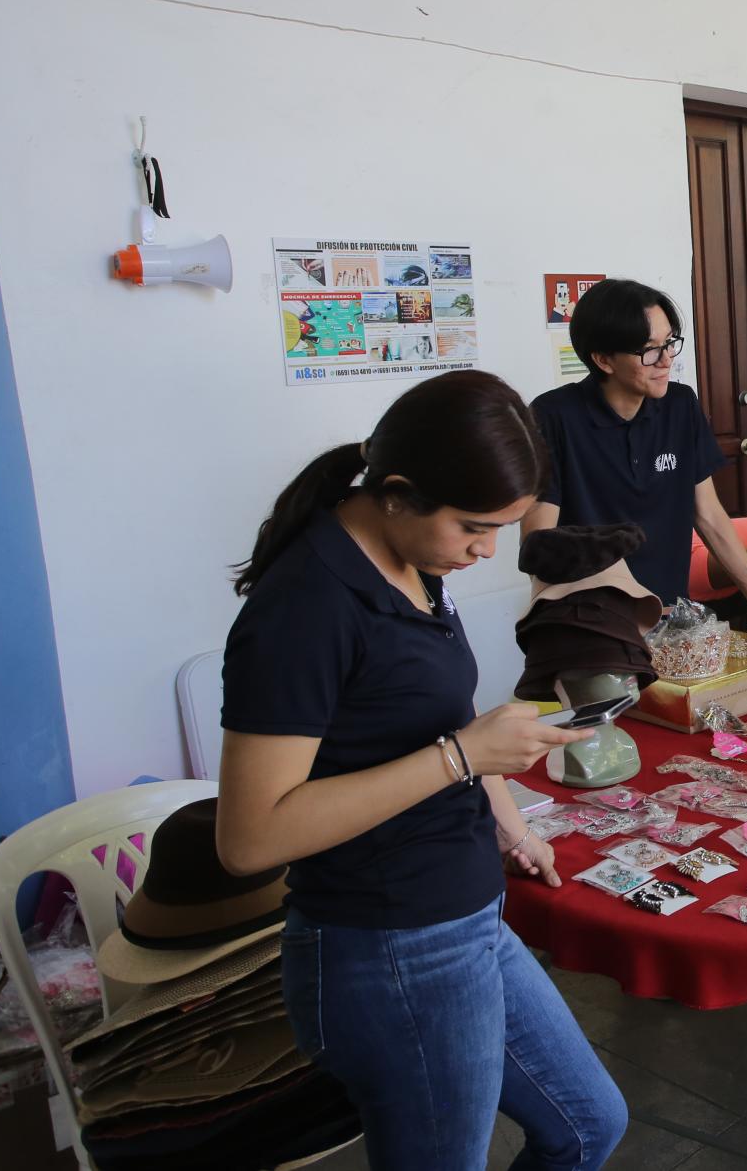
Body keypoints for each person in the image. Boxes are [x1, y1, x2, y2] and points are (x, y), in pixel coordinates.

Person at [215, 371, 628, 1171]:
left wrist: (509, 823)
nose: (485, 550)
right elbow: (251, 836)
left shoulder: (413, 563)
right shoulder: (305, 608)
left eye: (502, 528)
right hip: (388, 947)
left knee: (586, 1124)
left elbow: (443, 719)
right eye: (475, 526)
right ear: (399, 493)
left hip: (464, 915)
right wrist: (463, 757)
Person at [525, 279, 747, 641]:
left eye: (670, 343)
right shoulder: (553, 417)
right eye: (649, 350)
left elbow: (709, 515)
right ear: (603, 359)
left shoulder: (680, 405)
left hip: (671, 617)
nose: (666, 360)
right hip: (589, 624)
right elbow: (538, 541)